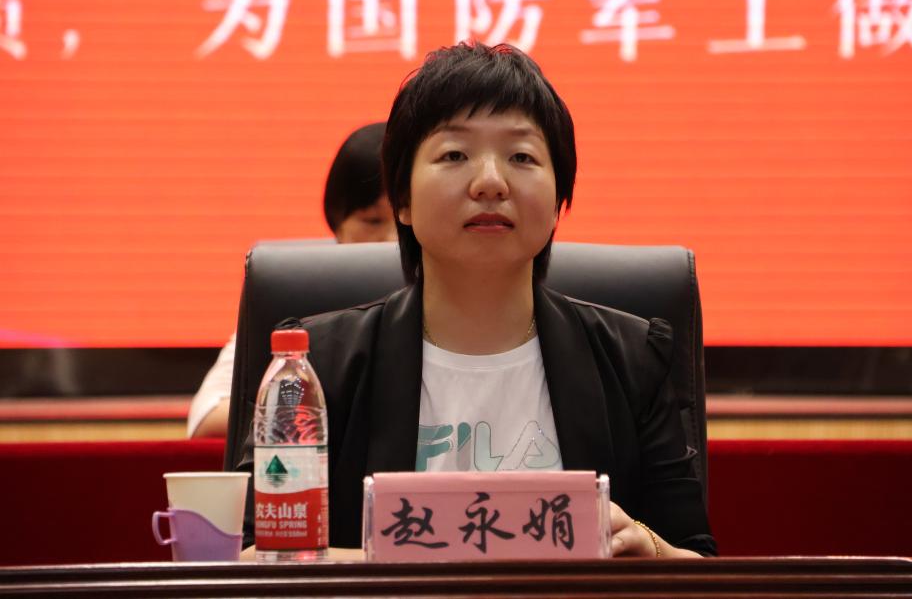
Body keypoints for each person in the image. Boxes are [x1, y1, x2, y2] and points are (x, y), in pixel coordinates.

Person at [239, 42, 715, 558]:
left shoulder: (631, 360)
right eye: (454, 155)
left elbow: (698, 565)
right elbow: (248, 556)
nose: (490, 182)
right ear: (402, 199)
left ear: (559, 199)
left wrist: (651, 549)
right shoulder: (320, 368)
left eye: (521, 157)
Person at [187, 123, 397, 438]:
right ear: (336, 223)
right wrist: (319, 412)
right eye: (372, 220)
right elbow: (206, 419)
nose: (392, 240)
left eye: (404, 220)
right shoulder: (295, 292)